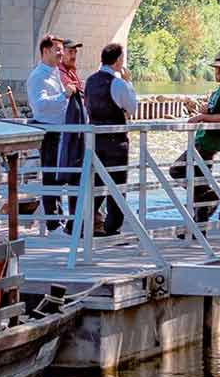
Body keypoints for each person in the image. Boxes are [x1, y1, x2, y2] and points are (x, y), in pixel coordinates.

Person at [175, 50, 220, 227]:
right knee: (197, 180)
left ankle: (211, 197)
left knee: (177, 171)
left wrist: (201, 117)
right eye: (217, 68)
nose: (219, 71)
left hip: (209, 142)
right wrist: (207, 110)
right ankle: (198, 227)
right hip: (203, 138)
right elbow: (218, 112)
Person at [83, 42, 137, 236]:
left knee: (95, 182)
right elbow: (132, 108)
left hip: (94, 140)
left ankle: (84, 222)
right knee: (117, 183)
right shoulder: (118, 83)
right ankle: (112, 226)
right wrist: (129, 82)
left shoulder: (89, 82)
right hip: (116, 142)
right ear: (118, 61)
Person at [26, 35, 78, 230]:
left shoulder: (56, 72)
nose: (61, 53)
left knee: (63, 175)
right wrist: (63, 95)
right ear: (45, 51)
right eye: (57, 50)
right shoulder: (38, 76)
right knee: (50, 176)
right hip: (49, 132)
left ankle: (63, 218)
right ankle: (53, 223)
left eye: (61, 50)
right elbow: (39, 105)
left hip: (63, 131)